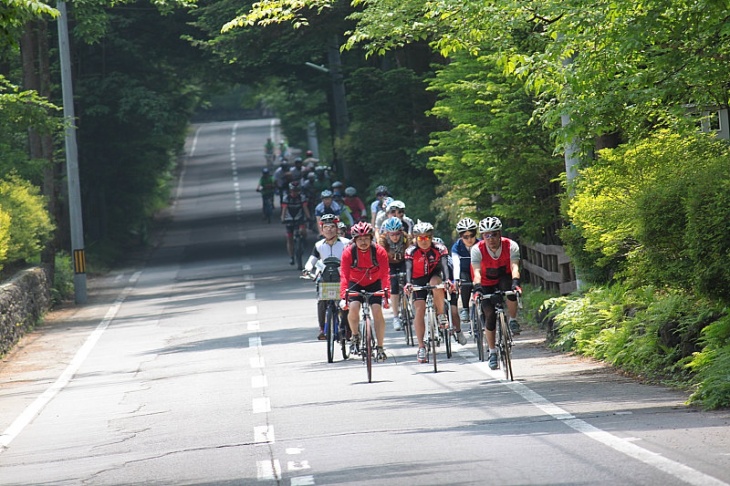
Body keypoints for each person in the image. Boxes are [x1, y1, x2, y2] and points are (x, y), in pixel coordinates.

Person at [470, 216, 522, 370]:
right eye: (487, 235)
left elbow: (514, 267)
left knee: (510, 290)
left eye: (494, 234)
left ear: (500, 234)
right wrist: (477, 288)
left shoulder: (511, 245)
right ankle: (492, 352)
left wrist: (516, 283)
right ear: (482, 236)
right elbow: (477, 272)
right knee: (490, 315)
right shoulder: (476, 249)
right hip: (485, 282)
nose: (491, 238)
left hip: (504, 277)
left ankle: (512, 320)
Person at [403, 221, 455, 363]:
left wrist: (448, 280)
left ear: (431, 237)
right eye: (420, 238)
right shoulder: (410, 251)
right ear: (415, 239)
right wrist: (408, 283)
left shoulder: (440, 248)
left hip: (434, 275)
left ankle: (441, 315)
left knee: (435, 284)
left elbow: (445, 265)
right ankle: (421, 347)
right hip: (417, 279)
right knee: (419, 309)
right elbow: (408, 269)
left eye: (427, 237)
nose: (424, 241)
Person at [340, 221, 390, 362]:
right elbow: (344, 274)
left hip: (374, 283)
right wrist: (344, 296)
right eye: (360, 239)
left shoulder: (379, 251)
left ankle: (380, 347)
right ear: (355, 240)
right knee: (354, 308)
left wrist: (386, 294)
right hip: (355, 282)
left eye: (366, 238)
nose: (363, 242)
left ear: (371, 238)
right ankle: (355, 336)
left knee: (376, 310)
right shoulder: (348, 252)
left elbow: (385, 274)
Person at [303, 214, 350, 340]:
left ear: (337, 228)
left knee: (345, 303)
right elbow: (312, 259)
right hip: (326, 278)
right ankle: (323, 329)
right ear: (322, 229)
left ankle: (346, 327)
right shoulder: (319, 245)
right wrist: (307, 269)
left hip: (342, 278)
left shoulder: (346, 243)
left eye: (332, 226)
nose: (329, 229)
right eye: (326, 227)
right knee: (321, 302)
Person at [433, 237, 468, 345]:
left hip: (450, 287)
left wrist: (454, 285)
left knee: (453, 311)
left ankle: (458, 331)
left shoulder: (449, 261)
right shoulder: (431, 262)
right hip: (438, 288)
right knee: (434, 305)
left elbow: (455, 276)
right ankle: (435, 327)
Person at [377, 217, 410, 331]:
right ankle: (396, 316)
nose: (395, 237)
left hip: (403, 261)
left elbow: (411, 252)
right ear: (387, 233)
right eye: (392, 234)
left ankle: (408, 304)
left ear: (401, 232)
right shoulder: (382, 240)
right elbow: (381, 257)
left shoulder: (406, 238)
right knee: (394, 285)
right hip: (389, 263)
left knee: (409, 281)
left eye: (397, 234)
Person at [451, 217, 480, 322]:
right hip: (464, 271)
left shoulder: (480, 244)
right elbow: (456, 264)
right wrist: (457, 279)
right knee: (464, 280)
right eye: (465, 237)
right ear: (460, 236)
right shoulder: (457, 247)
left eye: (472, 235)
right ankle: (465, 309)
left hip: (478, 271)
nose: (469, 239)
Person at [281, 181, 311, 266]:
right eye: (293, 191)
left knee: (303, 231)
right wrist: (282, 218)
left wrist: (308, 217)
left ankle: (303, 240)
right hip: (289, 219)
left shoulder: (302, 197)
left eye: (297, 191)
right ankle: (291, 257)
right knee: (289, 238)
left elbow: (305, 208)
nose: (295, 193)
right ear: (290, 190)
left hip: (299, 218)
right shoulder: (286, 198)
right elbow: (284, 209)